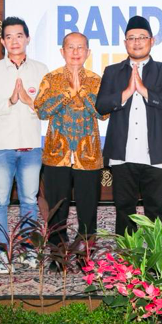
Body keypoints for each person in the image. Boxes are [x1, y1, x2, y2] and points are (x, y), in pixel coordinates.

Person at [0, 17, 48, 274]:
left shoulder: (41, 69)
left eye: (19, 36)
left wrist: (28, 100)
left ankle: (29, 250)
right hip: (1, 148)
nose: (14, 41)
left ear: (27, 38)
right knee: (0, 201)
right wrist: (9, 101)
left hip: (30, 147)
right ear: (3, 41)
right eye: (9, 37)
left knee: (29, 201)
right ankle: (1, 253)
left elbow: (47, 110)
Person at [96, 16, 162, 235]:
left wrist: (144, 91)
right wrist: (125, 93)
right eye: (131, 38)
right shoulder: (112, 71)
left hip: (156, 152)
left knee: (155, 208)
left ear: (152, 41)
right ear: (125, 43)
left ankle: (156, 254)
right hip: (122, 153)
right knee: (124, 209)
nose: (136, 42)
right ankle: (126, 254)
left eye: (142, 37)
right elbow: (101, 106)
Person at [34, 32, 106, 262]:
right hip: (57, 154)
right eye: (71, 47)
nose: (75, 52)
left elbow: (103, 113)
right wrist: (68, 93)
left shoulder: (96, 80)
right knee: (57, 209)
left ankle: (85, 254)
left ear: (88, 52)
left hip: (88, 155)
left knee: (88, 209)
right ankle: (57, 254)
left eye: (80, 47)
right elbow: (41, 110)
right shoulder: (51, 78)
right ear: (62, 51)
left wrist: (81, 91)